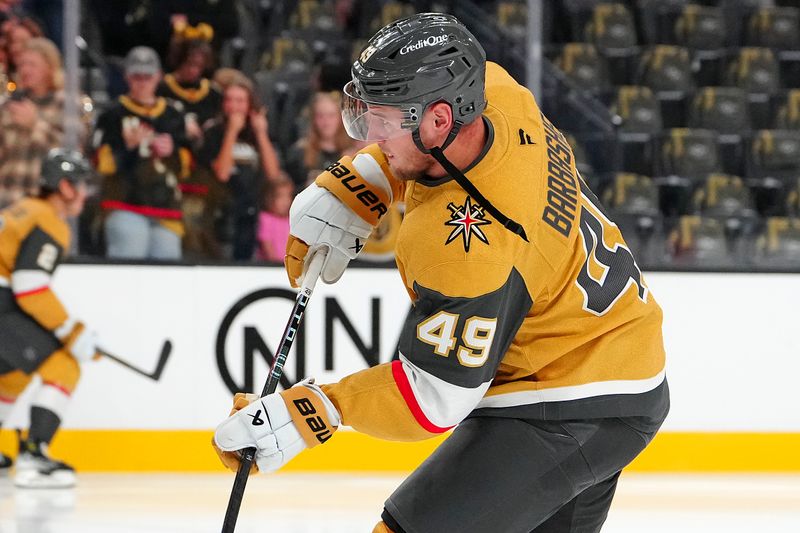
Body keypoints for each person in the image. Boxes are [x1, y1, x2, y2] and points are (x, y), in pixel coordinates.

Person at [213, 13, 669, 533]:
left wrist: (317, 411)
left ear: (437, 120)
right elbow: (432, 155)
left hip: (571, 398)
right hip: (607, 355)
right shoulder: (496, 90)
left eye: (382, 122)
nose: (368, 136)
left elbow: (431, 397)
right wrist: (365, 182)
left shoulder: (466, 245)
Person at [0, 149, 98, 488]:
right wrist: (70, 332)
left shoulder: (24, 208)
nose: (85, 193)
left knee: (12, 372)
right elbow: (30, 287)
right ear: (65, 186)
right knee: (63, 364)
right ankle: (34, 458)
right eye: (81, 184)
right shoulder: (50, 220)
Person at [93, 46, 191, 260]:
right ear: (127, 77)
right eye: (137, 76)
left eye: (148, 76)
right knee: (130, 260)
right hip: (124, 202)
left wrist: (172, 151)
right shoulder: (112, 114)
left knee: (167, 267)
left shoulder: (173, 114)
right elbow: (101, 164)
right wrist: (127, 148)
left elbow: (186, 166)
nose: (143, 82)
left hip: (166, 207)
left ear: (158, 77)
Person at [198, 74, 281, 261]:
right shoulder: (214, 132)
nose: (234, 106)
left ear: (250, 104)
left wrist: (261, 134)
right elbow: (222, 173)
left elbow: (273, 175)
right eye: (229, 100)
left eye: (240, 101)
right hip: (223, 216)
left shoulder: (258, 132)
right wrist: (232, 131)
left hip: (254, 213)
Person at [0, 37, 66, 208]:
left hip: (45, 203)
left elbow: (70, 153)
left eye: (32, 64)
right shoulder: (10, 105)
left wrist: (35, 125)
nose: (25, 70)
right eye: (22, 64)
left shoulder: (67, 104)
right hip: (6, 199)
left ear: (50, 68)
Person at [285, 91, 358, 189]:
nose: (326, 122)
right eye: (320, 116)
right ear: (313, 119)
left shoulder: (354, 152)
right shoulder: (299, 152)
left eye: (331, 115)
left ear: (341, 118)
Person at [256, 177, 293, 262]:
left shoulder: (292, 220)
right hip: (272, 269)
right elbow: (267, 247)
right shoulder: (265, 219)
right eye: (280, 196)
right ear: (270, 198)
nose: (285, 201)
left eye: (288, 196)